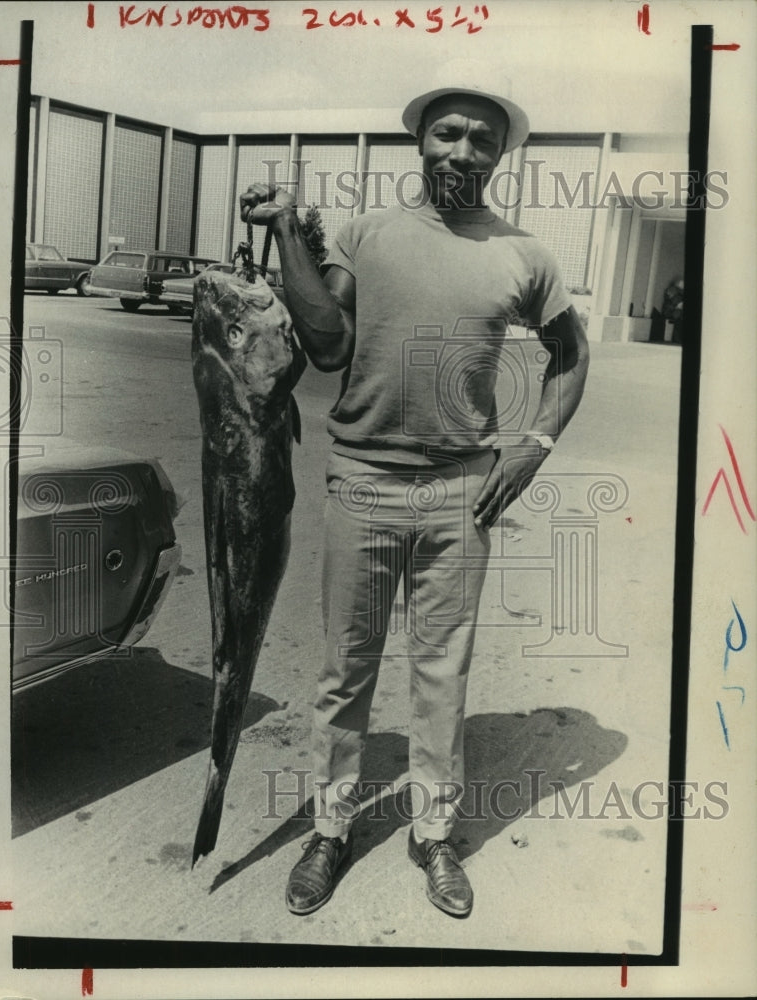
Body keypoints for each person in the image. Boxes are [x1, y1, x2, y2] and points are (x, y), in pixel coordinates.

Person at [240, 77, 590, 919]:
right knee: (344, 673)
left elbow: (570, 355)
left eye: (480, 139)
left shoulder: (526, 255)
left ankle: (432, 836)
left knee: (442, 675)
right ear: (420, 144)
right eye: (447, 134)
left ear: (499, 156)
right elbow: (326, 347)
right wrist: (288, 228)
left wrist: (534, 446)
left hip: (461, 494)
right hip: (362, 480)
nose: (461, 151)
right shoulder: (366, 234)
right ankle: (332, 829)